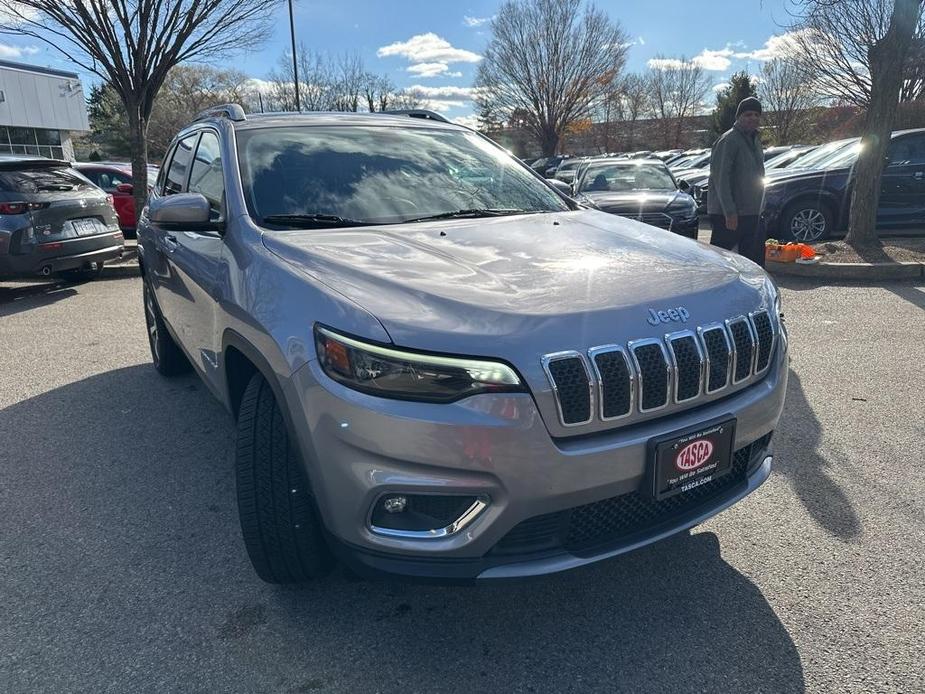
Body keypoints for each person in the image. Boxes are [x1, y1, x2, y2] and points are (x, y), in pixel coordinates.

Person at [707, 96, 766, 267]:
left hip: (752, 213)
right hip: (729, 216)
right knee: (721, 265)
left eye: (756, 114)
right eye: (748, 114)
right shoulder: (729, 140)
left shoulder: (755, 140)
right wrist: (730, 212)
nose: (753, 118)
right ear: (739, 117)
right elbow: (721, 178)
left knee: (754, 265)